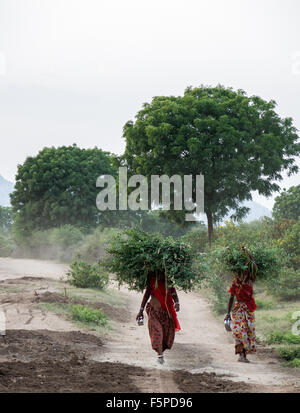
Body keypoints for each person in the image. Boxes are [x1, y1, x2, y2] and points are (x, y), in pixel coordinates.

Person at [136, 273, 181, 364]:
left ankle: (160, 351)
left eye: (163, 273)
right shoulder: (152, 282)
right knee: (158, 332)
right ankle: (160, 356)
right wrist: (140, 311)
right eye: (159, 273)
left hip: (166, 314)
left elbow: (173, 293)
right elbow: (146, 296)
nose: (161, 275)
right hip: (154, 313)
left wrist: (177, 302)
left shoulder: (169, 283)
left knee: (165, 335)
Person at [224, 247, 257, 363]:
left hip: (248, 309)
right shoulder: (236, 281)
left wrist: (247, 251)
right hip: (238, 309)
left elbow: (253, 264)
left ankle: (244, 355)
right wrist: (228, 313)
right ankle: (241, 355)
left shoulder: (250, 279)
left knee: (248, 331)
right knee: (239, 331)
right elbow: (231, 297)